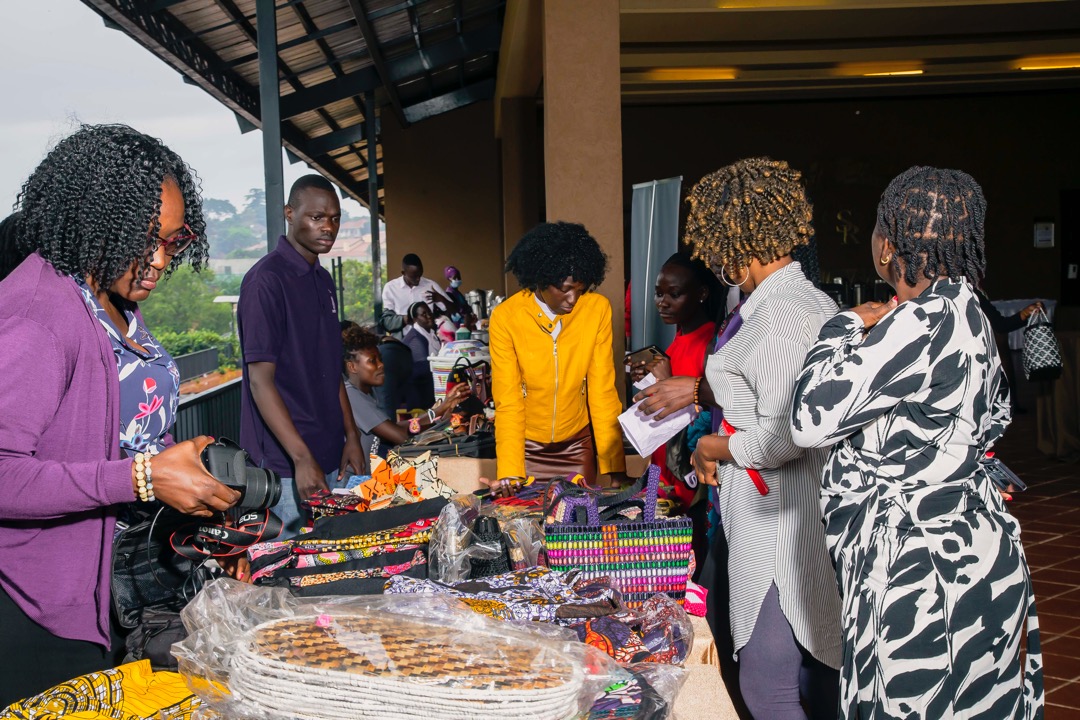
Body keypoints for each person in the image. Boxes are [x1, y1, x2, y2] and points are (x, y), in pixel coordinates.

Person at [0, 124, 241, 705]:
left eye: (172, 240)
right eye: (142, 238)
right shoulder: (39, 316)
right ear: (94, 217)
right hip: (37, 610)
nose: (158, 260)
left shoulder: (107, 297)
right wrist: (142, 475)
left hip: (111, 592)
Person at [791, 166, 1043, 719]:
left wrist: (843, 327)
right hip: (967, 545)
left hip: (919, 570)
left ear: (887, 245)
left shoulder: (922, 321)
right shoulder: (967, 308)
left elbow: (809, 419)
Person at [639, 158, 843, 719]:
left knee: (767, 688)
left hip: (777, 525)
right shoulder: (787, 303)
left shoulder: (784, 314)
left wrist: (718, 447)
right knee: (808, 679)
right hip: (774, 514)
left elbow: (789, 432)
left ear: (736, 237)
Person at [238, 174, 366, 538]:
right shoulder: (266, 281)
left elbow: (331, 369)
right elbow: (260, 383)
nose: (328, 227)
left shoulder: (323, 280)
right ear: (289, 214)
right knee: (286, 580)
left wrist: (351, 435)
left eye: (335, 218)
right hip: (285, 465)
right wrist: (300, 458)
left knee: (327, 571)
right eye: (316, 217)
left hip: (327, 455)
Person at [489, 221, 627, 485]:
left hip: (576, 446)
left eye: (581, 289)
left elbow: (603, 393)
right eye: (564, 289)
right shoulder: (506, 318)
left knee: (581, 524)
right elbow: (508, 401)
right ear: (540, 281)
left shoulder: (597, 310)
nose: (573, 299)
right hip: (526, 448)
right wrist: (509, 470)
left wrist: (615, 468)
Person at [343, 325, 470, 455]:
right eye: (372, 361)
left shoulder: (366, 393)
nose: (381, 364)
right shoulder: (352, 396)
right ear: (352, 367)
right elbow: (401, 437)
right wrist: (443, 428)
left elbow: (398, 428)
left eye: (380, 359)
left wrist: (441, 410)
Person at [380, 253, 452, 333]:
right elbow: (387, 320)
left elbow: (454, 311)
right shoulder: (390, 288)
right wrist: (406, 319)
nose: (418, 279)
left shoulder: (431, 285)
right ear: (403, 273)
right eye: (414, 276)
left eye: (420, 275)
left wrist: (441, 299)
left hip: (428, 338)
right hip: (402, 340)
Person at [401, 301, 441, 410]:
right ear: (415, 319)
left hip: (428, 385)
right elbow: (423, 370)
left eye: (429, 312)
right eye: (423, 314)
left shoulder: (430, 333)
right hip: (419, 392)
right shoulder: (415, 339)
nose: (429, 316)